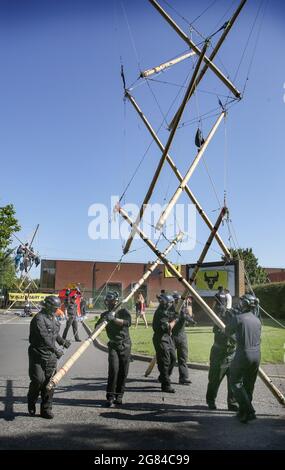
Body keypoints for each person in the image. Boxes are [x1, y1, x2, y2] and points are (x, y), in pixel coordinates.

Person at [27, 295, 71, 419]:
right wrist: (55, 350)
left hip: (50, 356)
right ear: (47, 306)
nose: (56, 310)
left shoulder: (53, 318)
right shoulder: (38, 319)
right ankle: (31, 401)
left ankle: (46, 409)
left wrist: (62, 341)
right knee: (38, 380)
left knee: (50, 383)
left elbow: (55, 334)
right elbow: (44, 336)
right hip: (37, 354)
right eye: (54, 308)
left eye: (57, 308)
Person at [225, 294, 261, 423]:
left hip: (243, 354)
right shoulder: (257, 320)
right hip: (257, 355)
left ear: (244, 304)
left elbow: (227, 331)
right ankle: (243, 411)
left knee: (235, 382)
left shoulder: (238, 318)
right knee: (249, 384)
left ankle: (249, 410)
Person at [95, 291, 132, 407]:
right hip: (113, 346)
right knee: (113, 370)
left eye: (111, 301)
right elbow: (97, 328)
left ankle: (119, 396)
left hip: (125, 345)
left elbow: (127, 323)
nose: (109, 303)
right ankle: (110, 397)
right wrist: (103, 321)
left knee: (123, 371)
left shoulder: (123, 312)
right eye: (107, 301)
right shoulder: (105, 314)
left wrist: (114, 319)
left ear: (116, 301)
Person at [206, 288, 238, 411]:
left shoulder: (233, 313)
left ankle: (233, 403)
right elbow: (218, 330)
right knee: (215, 379)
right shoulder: (217, 315)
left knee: (233, 380)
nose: (221, 304)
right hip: (219, 353)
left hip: (232, 352)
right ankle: (211, 401)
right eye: (220, 301)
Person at [152, 293, 177, 393]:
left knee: (173, 358)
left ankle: (163, 376)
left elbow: (171, 315)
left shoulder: (166, 310)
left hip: (168, 337)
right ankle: (166, 385)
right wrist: (175, 320)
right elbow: (168, 326)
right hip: (160, 338)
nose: (171, 304)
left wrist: (177, 315)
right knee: (164, 361)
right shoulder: (160, 313)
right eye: (170, 302)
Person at [170, 292, 194, 385]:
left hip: (182, 336)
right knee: (171, 359)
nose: (178, 302)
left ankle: (183, 378)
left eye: (179, 300)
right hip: (172, 336)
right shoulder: (170, 310)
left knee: (183, 358)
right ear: (173, 301)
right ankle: (165, 376)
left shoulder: (184, 309)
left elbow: (187, 317)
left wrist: (192, 320)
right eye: (176, 300)